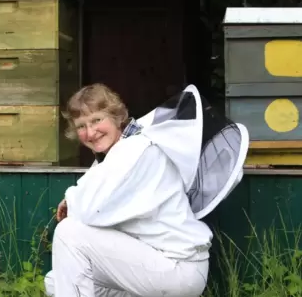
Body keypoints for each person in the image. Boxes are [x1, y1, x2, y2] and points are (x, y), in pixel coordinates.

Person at [44, 83, 249, 297]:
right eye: (81, 126)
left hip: (175, 266)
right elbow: (95, 196)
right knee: (56, 281)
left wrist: (72, 200)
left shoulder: (135, 149)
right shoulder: (120, 152)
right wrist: (74, 200)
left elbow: (88, 210)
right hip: (152, 265)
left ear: (116, 116)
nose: (90, 132)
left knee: (70, 233)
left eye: (97, 120)